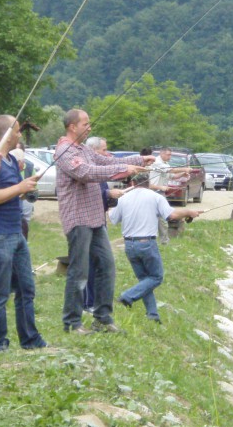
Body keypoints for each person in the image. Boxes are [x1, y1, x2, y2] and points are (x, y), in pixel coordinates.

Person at [54, 109, 150, 334]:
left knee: (107, 266)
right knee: (79, 271)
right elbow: (87, 173)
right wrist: (121, 170)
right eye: (85, 124)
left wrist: (140, 159)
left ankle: (103, 319)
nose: (89, 128)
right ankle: (72, 322)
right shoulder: (64, 151)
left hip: (96, 218)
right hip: (78, 218)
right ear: (72, 127)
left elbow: (106, 160)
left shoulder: (84, 149)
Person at [0, 115, 47, 352]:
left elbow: (10, 193)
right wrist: (19, 187)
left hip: (15, 233)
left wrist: (25, 189)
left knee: (26, 289)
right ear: (7, 134)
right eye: (17, 131)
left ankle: (30, 339)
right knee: (0, 293)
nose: (19, 135)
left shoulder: (7, 159)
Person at [109, 174, 200, 323]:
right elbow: (171, 216)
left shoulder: (123, 198)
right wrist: (189, 212)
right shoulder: (155, 197)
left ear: (133, 182)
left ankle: (152, 315)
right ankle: (127, 296)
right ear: (149, 182)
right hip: (147, 244)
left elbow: (113, 219)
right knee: (156, 277)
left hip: (129, 245)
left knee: (145, 280)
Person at [82, 136, 124, 312]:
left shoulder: (98, 171)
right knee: (90, 264)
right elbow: (88, 198)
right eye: (104, 150)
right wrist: (108, 195)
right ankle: (88, 303)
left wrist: (111, 197)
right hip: (88, 224)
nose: (107, 154)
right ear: (93, 151)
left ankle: (96, 301)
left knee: (102, 264)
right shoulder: (87, 170)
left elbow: (103, 195)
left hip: (100, 221)